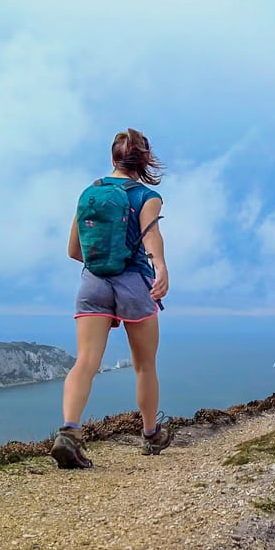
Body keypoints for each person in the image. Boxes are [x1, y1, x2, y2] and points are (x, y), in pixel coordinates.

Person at [51, 128, 172, 468]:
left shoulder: (89, 193)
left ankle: (69, 433)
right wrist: (160, 268)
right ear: (145, 160)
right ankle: (151, 435)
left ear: (112, 159)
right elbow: (152, 237)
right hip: (134, 283)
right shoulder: (146, 196)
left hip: (92, 282)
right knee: (144, 365)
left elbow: (74, 251)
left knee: (86, 361)